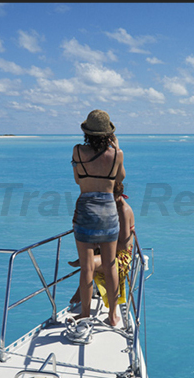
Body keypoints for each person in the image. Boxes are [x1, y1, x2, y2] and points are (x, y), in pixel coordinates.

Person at [71, 109, 125, 326]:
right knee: (110, 264)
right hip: (109, 212)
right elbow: (119, 177)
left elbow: (77, 180)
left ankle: (85, 313)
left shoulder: (77, 151)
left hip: (85, 210)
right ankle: (113, 315)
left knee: (86, 267)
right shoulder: (117, 155)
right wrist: (117, 148)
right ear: (108, 134)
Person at [68, 182, 135, 313]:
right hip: (109, 249)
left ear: (116, 195)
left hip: (121, 256)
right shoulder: (111, 207)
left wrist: (99, 243)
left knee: (89, 263)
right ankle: (81, 284)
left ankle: (81, 295)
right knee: (87, 255)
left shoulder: (123, 210)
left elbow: (124, 245)